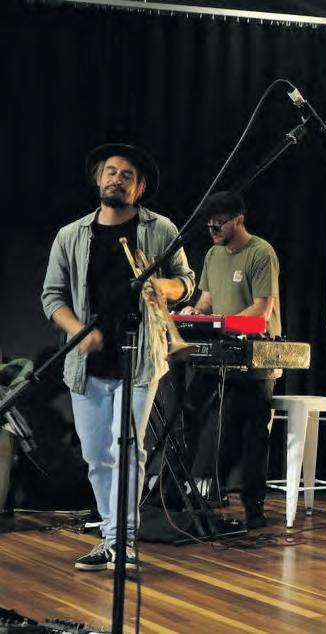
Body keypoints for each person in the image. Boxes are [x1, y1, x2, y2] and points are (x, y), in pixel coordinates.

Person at [41, 143, 195, 570]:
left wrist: (167, 288)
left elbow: (187, 280)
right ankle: (111, 538)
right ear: (98, 179)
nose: (117, 179)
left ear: (139, 187)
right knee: (96, 456)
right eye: (111, 171)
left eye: (128, 175)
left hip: (140, 358)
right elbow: (52, 296)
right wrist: (79, 331)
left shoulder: (161, 229)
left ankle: (122, 541)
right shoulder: (71, 235)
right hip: (86, 364)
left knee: (128, 449)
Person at [180, 190, 281, 530]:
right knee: (190, 411)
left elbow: (262, 310)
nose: (212, 230)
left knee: (253, 431)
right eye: (208, 225)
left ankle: (254, 508)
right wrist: (195, 312)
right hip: (220, 352)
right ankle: (185, 493)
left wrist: (223, 324)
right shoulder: (213, 254)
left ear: (238, 219)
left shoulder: (261, 253)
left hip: (255, 354)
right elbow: (206, 300)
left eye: (219, 224)